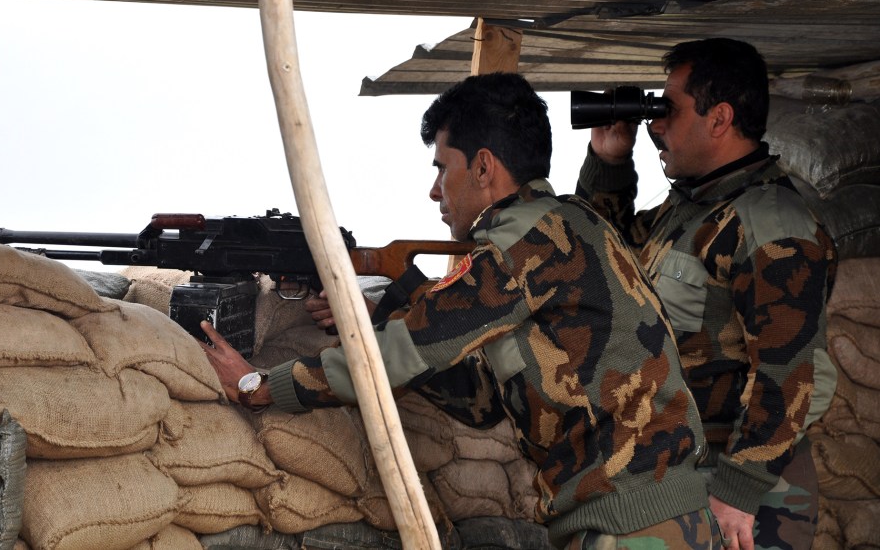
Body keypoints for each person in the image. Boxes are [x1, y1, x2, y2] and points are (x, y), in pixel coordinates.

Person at [200, 72, 720, 549]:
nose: (435, 191)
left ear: (484, 166)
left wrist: (260, 385)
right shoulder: (559, 224)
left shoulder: (527, 242)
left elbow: (401, 354)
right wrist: (380, 317)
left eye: (441, 168)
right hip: (643, 516)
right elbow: (481, 401)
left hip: (633, 524)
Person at [576, 38, 837, 550]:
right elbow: (603, 261)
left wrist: (738, 490)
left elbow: (795, 373)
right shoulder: (693, 210)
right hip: (680, 467)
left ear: (719, 119)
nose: (655, 125)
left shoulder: (770, 224)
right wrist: (609, 162)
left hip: (741, 492)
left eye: (668, 110)